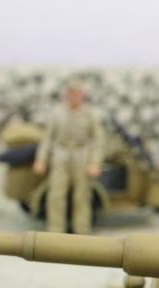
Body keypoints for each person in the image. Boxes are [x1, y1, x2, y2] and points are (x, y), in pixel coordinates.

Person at [33, 79, 104, 234]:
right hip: (61, 154)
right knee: (56, 194)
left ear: (82, 95)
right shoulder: (57, 112)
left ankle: (81, 229)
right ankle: (55, 229)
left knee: (82, 195)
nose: (74, 96)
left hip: (81, 154)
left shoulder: (89, 113)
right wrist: (41, 160)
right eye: (71, 93)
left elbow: (97, 139)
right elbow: (47, 138)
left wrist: (95, 162)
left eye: (77, 93)